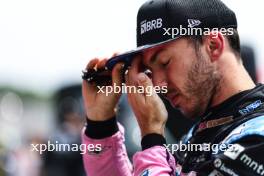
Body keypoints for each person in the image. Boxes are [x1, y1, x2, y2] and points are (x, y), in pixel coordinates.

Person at [81, 0, 264, 175]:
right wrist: (101, 125)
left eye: (165, 62)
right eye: (149, 71)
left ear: (213, 46)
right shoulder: (199, 134)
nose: (158, 85)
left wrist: (152, 137)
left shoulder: (257, 139)